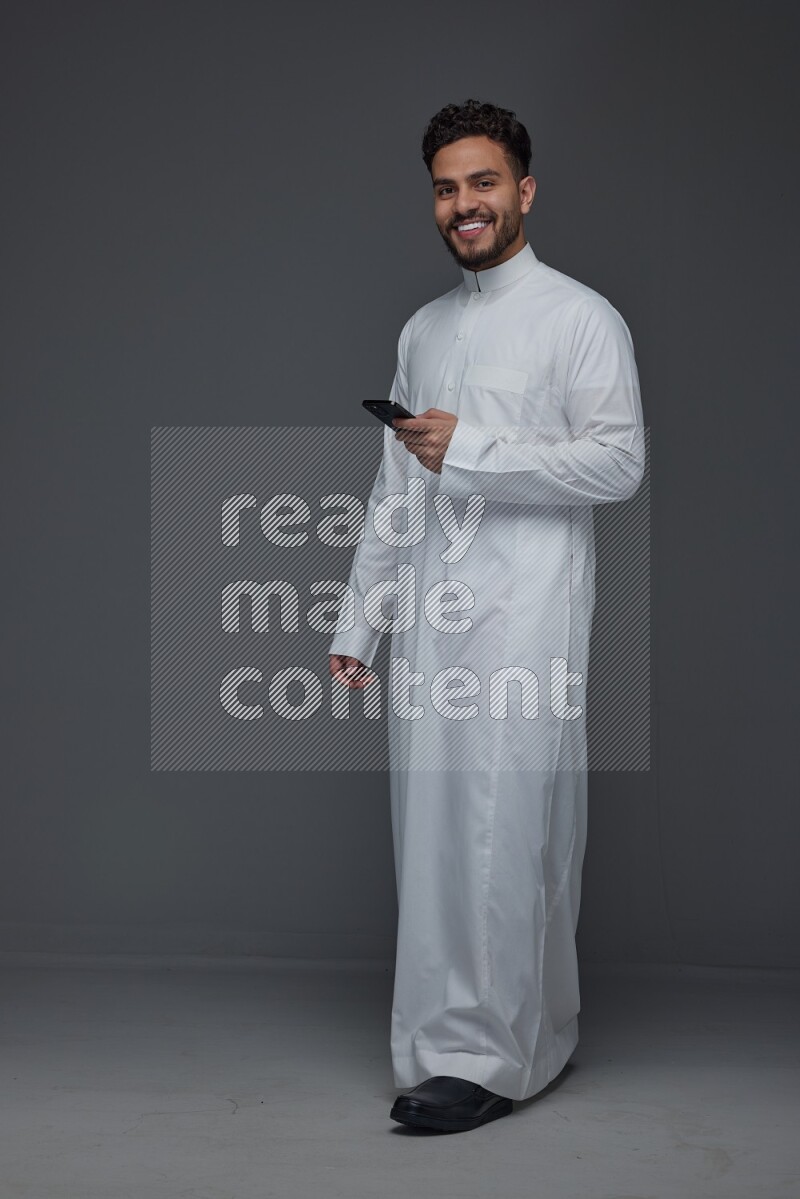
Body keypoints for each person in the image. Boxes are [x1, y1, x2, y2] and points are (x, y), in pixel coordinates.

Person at [329, 98, 645, 1133]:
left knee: (507, 832)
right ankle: (452, 1043)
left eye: (481, 182)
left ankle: (494, 1054)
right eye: (445, 187)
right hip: (431, 619)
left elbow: (616, 461)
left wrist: (473, 448)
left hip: (525, 620)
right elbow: (395, 487)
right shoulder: (422, 329)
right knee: (431, 835)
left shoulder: (578, 317)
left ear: (524, 189)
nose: (462, 204)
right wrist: (357, 622)